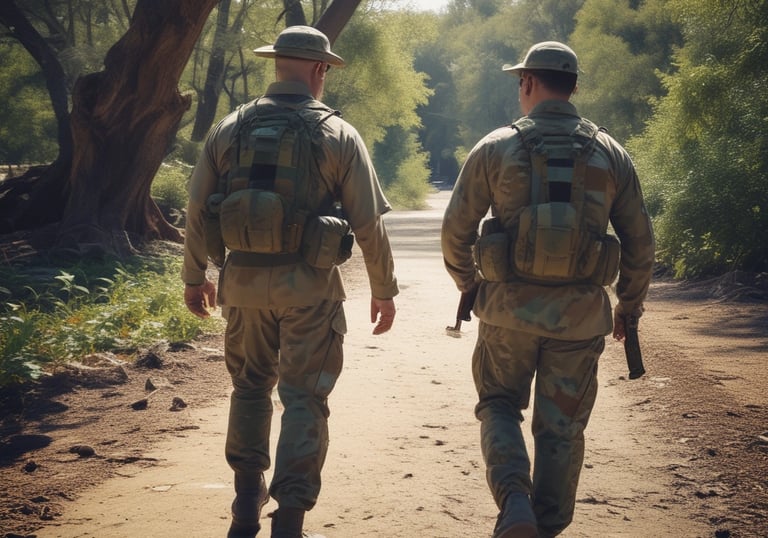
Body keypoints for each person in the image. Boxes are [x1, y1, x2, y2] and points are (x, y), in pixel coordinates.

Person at [182, 25, 399, 538]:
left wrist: (195, 278)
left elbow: (195, 209)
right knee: (305, 398)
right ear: (320, 69)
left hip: (244, 288)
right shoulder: (338, 134)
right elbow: (368, 223)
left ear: (276, 64)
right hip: (311, 291)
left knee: (249, 389)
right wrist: (383, 290)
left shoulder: (229, 127)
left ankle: (243, 504)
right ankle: (292, 518)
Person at [441, 41, 654, 537]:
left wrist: (470, 285)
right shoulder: (611, 152)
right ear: (574, 87)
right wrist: (629, 306)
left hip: (507, 313)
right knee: (561, 427)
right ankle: (548, 525)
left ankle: (514, 501)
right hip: (580, 319)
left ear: (527, 83)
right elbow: (640, 240)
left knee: (497, 405)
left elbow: (456, 230)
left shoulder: (495, 147)